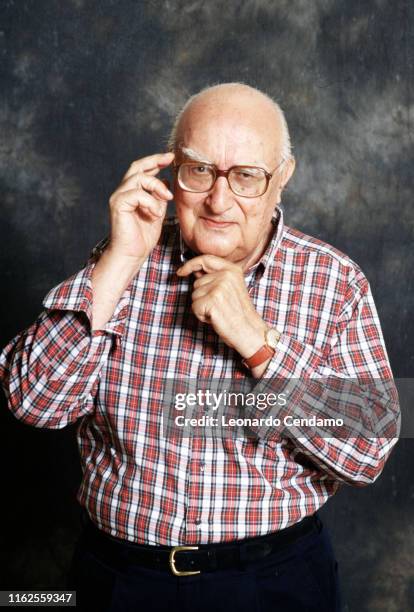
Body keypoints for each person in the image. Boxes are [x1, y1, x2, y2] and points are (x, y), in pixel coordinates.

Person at [0, 82, 399, 612]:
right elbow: (34, 402)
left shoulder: (333, 281)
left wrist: (259, 345)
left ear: (282, 179)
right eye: (199, 170)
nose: (218, 199)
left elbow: (368, 450)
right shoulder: (123, 258)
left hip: (272, 582)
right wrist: (118, 263)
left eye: (246, 177)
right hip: (118, 579)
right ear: (170, 172)